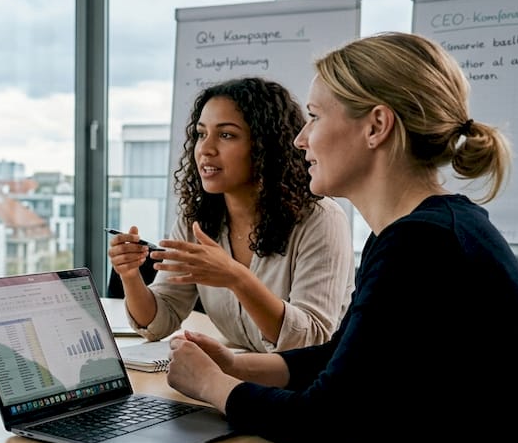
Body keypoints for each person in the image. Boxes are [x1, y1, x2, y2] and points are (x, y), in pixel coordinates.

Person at [156, 31, 518, 443]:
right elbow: (349, 359)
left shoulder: (422, 245)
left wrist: (215, 386)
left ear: (376, 126)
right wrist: (243, 367)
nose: (299, 139)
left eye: (314, 117)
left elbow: (327, 427)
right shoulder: (423, 230)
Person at [108, 77, 353, 354]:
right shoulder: (197, 219)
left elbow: (310, 340)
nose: (206, 149)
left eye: (226, 135)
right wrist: (129, 276)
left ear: (265, 146)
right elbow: (159, 321)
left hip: (310, 386)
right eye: (201, 134)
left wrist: (237, 278)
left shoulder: (321, 220)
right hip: (242, 377)